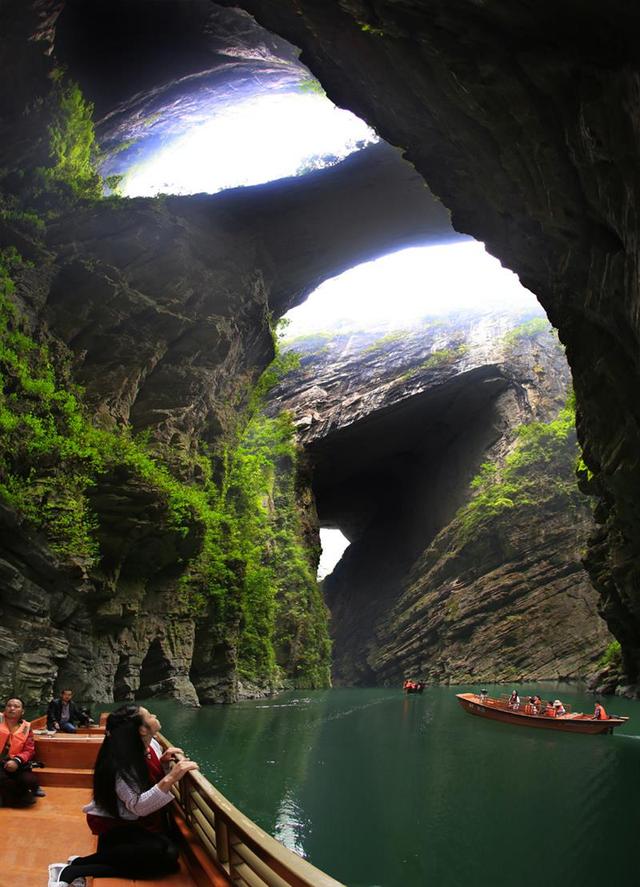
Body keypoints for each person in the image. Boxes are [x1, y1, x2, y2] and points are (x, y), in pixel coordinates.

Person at [47, 704, 199, 887]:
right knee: (164, 858)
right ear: (142, 730)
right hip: (116, 825)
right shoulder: (121, 763)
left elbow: (148, 779)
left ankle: (77, 864)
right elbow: (138, 806)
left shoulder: (153, 745)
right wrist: (173, 777)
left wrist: (165, 766)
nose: (155, 715)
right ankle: (76, 869)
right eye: (150, 715)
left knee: (169, 858)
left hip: (137, 824)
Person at [0, 696, 40, 807]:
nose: (12, 708)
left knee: (30, 781)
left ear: (22, 711)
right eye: (9, 705)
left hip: (16, 764)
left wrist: (17, 761)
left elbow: (29, 750)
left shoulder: (26, 728)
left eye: (16, 706)